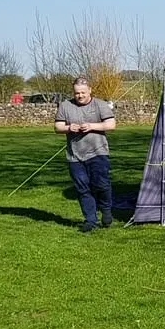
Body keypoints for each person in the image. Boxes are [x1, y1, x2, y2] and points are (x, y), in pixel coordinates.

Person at [55, 77, 117, 232]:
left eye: (83, 92)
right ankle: (90, 220)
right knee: (83, 188)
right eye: (77, 93)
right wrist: (69, 128)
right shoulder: (65, 106)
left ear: (90, 90)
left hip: (98, 152)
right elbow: (57, 126)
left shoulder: (100, 105)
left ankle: (106, 210)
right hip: (74, 156)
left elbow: (111, 125)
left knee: (101, 185)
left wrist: (91, 126)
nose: (80, 96)